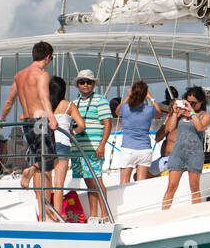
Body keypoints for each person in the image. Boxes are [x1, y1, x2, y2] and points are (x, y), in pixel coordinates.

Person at [0, 41, 58, 220]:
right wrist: (52, 118)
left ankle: (42, 211)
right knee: (48, 165)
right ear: (47, 57)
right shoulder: (41, 74)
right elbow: (43, 97)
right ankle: (45, 209)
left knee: (43, 162)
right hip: (40, 121)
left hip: (26, 122)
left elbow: (9, 101)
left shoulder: (19, 75)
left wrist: (2, 119)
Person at [161, 85, 210, 210]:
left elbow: (200, 127)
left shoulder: (205, 116)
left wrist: (192, 111)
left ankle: (196, 214)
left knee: (194, 188)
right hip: (178, 153)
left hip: (194, 154)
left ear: (201, 102)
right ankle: (163, 215)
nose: (191, 105)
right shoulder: (181, 114)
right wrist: (174, 112)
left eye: (194, 103)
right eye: (188, 102)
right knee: (171, 186)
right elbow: (170, 128)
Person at [70, 70, 111, 219]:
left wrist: (102, 145)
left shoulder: (101, 100)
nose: (85, 85)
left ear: (93, 84)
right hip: (78, 149)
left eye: (89, 82)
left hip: (94, 148)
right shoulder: (74, 103)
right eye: (82, 82)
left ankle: (105, 214)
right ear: (78, 85)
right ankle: (94, 214)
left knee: (97, 181)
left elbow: (107, 124)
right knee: (89, 183)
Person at [48, 75, 84, 217]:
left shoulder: (46, 105)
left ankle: (47, 213)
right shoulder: (68, 105)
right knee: (59, 183)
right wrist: (73, 132)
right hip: (63, 143)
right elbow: (81, 125)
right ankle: (57, 214)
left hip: (47, 143)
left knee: (47, 180)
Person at [115, 80, 159, 184]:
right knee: (141, 184)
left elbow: (117, 111)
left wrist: (128, 96)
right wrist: (151, 98)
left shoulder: (125, 108)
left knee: (124, 183)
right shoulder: (149, 110)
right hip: (144, 150)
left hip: (128, 149)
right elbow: (158, 113)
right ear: (145, 94)